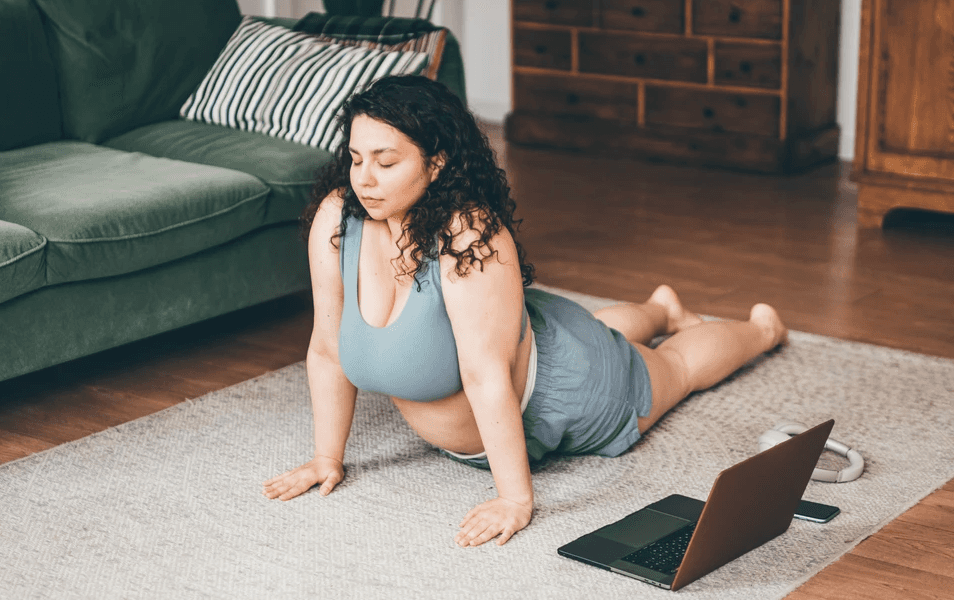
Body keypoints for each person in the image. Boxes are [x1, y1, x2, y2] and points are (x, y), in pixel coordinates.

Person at [262, 75, 788, 549]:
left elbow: (487, 374)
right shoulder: (338, 219)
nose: (365, 179)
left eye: (386, 160)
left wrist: (514, 498)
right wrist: (326, 458)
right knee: (596, 332)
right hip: (527, 343)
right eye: (356, 158)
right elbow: (328, 350)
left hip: (566, 387)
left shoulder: (466, 233)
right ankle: (659, 307)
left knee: (673, 370)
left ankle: (762, 329)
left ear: (437, 162)